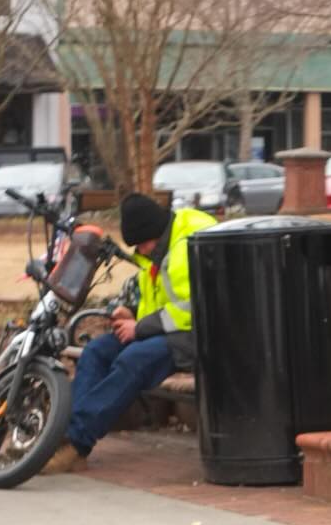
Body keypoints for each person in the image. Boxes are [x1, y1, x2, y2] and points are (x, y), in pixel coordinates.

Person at [44, 191, 215, 473]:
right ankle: (65, 439)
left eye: (142, 244)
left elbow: (192, 309)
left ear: (155, 233)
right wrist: (132, 313)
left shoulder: (184, 248)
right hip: (166, 328)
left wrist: (140, 327)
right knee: (96, 352)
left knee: (133, 359)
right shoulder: (157, 249)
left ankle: (74, 443)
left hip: (202, 333)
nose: (140, 251)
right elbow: (164, 301)